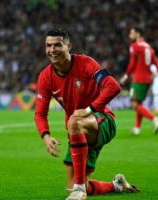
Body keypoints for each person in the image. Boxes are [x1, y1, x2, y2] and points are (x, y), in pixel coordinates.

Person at [34, 29, 139, 200]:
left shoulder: (86, 63)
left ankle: (79, 187)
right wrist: (46, 136)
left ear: (69, 46)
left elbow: (113, 86)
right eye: (48, 46)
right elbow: (40, 114)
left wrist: (89, 109)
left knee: (74, 121)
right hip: (77, 133)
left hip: (103, 120)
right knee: (74, 186)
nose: (52, 50)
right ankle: (116, 185)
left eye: (57, 45)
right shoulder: (45, 77)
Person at [120, 27, 158, 135]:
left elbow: (132, 64)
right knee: (139, 103)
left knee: (134, 104)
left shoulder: (134, 46)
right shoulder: (149, 47)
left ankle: (154, 119)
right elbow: (156, 63)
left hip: (138, 79)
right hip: (147, 79)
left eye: (131, 33)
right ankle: (137, 128)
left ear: (138, 34)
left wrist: (126, 75)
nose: (129, 35)